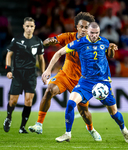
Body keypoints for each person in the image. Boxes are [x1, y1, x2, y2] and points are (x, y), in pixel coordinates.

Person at [28, 12, 118, 141]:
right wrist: (49, 42)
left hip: (82, 81)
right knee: (49, 90)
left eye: (87, 27)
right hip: (65, 75)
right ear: (77, 27)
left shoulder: (96, 41)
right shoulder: (68, 37)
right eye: (81, 27)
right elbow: (50, 41)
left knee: (84, 112)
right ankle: (39, 124)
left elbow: (109, 55)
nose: (84, 30)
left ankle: (91, 129)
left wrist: (111, 49)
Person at [42, 22, 128, 143]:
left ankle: (123, 129)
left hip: (103, 82)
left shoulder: (104, 41)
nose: (94, 36)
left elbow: (110, 56)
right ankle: (67, 133)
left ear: (99, 33)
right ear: (88, 32)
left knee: (114, 113)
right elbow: (59, 53)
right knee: (70, 103)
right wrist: (48, 69)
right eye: (92, 33)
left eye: (96, 33)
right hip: (86, 82)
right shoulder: (79, 43)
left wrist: (111, 49)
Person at [3, 17, 45, 133]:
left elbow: (41, 59)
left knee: (28, 101)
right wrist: (8, 70)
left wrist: (43, 73)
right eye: (27, 26)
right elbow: (9, 55)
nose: (29, 28)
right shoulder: (16, 40)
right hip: (18, 73)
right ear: (23, 26)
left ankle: (22, 127)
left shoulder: (38, 41)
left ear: (34, 27)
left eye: (31, 26)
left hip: (31, 74)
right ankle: (8, 117)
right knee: (13, 101)